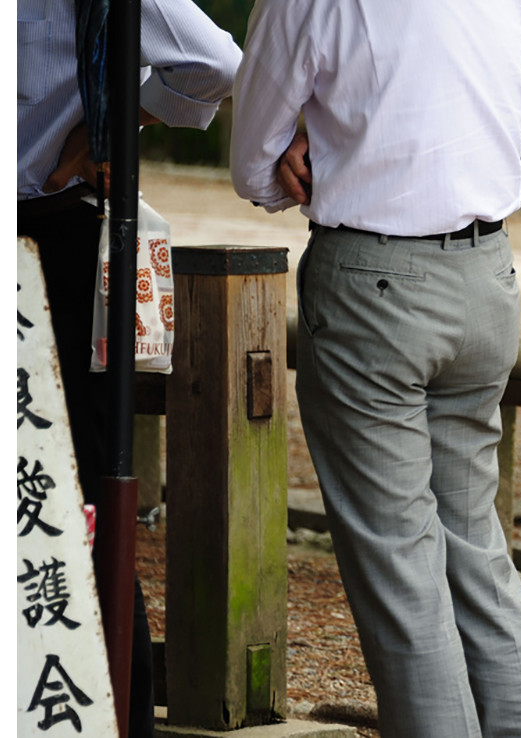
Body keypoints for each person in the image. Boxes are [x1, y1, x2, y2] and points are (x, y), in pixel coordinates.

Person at [229, 2, 521, 736]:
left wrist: (299, 158)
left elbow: (253, 156)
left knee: (402, 569)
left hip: (374, 287)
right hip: (488, 276)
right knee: (476, 551)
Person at [17, 1, 242, 735]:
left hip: (50, 237)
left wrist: (107, 125)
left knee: (71, 492)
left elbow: (214, 63)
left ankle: (108, 711)